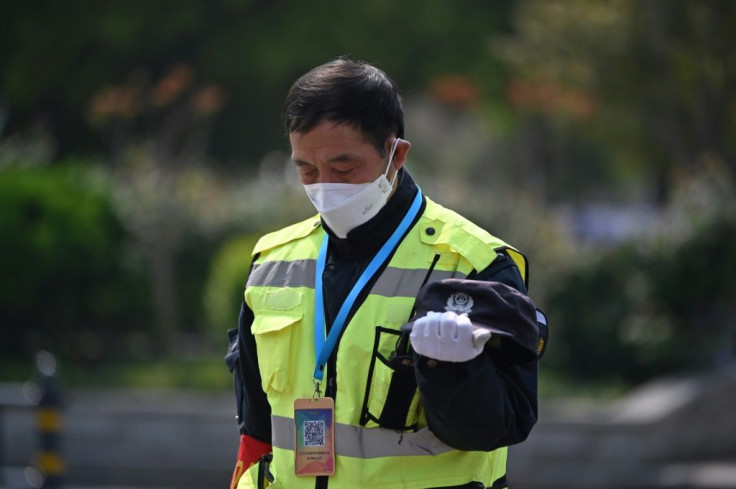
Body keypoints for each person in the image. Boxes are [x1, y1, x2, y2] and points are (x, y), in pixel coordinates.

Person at [226, 57, 547, 489]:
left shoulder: (475, 266)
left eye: (343, 168)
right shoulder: (272, 262)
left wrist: (453, 373)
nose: (324, 186)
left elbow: (501, 427)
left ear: (397, 154)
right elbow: (256, 431)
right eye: (305, 169)